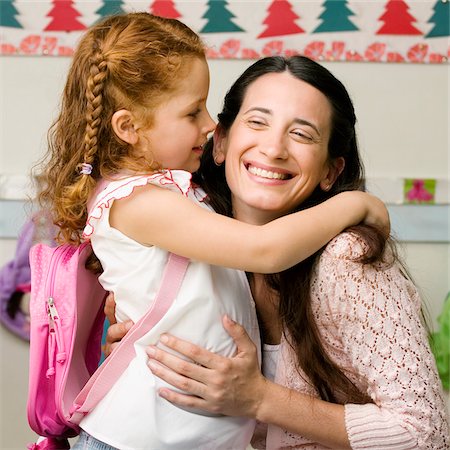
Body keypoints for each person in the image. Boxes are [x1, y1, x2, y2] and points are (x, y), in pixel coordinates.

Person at [36, 12, 389, 450]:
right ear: (129, 128)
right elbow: (264, 249)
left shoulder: (173, 192)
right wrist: (354, 203)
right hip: (137, 438)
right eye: (191, 111)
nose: (209, 123)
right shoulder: (141, 202)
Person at [107, 55, 450, 449]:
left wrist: (260, 398)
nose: (273, 148)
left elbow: (426, 434)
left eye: (302, 134)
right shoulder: (192, 248)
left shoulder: (346, 261)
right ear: (219, 142)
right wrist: (149, 352)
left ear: (330, 172)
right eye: (257, 122)